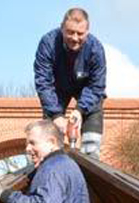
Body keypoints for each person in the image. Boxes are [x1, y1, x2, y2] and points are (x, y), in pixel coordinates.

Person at [34, 7, 106, 158]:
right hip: (57, 89)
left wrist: (80, 110)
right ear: (62, 28)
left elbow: (96, 86)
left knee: (94, 109)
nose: (75, 38)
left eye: (80, 33)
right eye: (70, 32)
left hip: (86, 89)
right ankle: (49, 159)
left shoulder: (96, 49)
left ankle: (91, 158)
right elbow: (43, 82)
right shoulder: (48, 43)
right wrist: (56, 115)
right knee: (49, 133)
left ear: (87, 32)